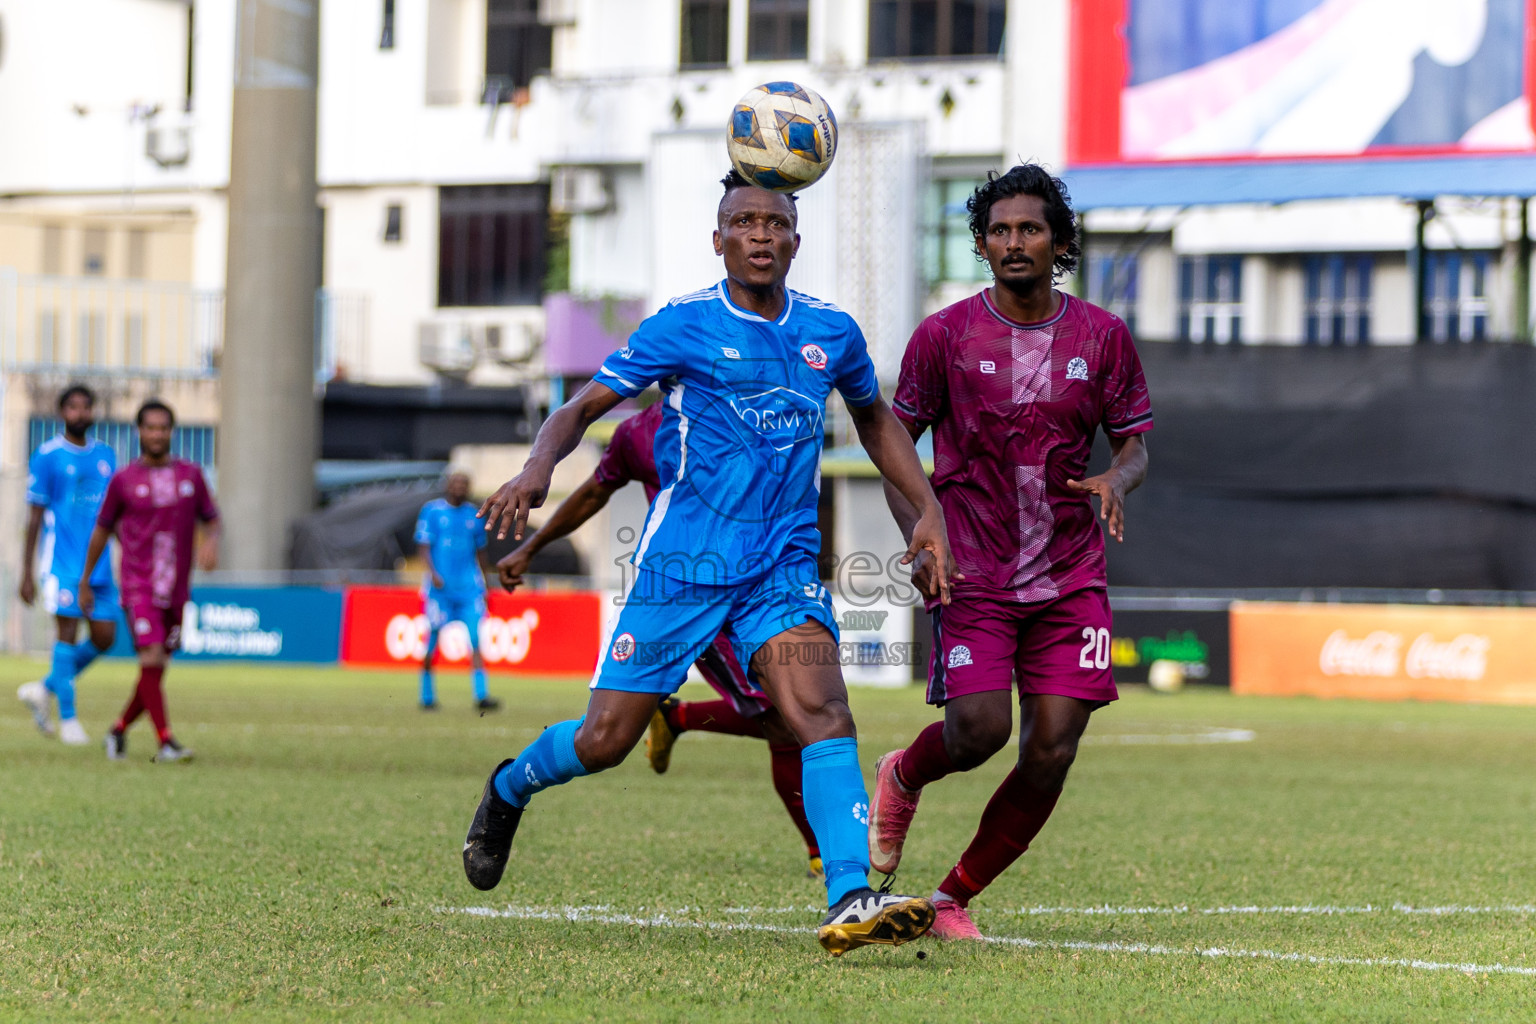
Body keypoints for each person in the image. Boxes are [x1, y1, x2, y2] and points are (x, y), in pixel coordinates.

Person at [462, 170, 959, 956]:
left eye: (775, 222)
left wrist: (925, 512)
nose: (761, 235)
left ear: (797, 238)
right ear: (719, 238)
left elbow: (876, 420)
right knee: (605, 741)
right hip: (682, 569)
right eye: (744, 222)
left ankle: (849, 894)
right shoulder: (682, 326)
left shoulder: (832, 333)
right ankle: (507, 787)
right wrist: (534, 469)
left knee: (821, 713)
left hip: (780, 569)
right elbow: (582, 406)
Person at [868, 164, 1152, 940]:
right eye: (999, 230)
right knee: (978, 733)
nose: (1014, 242)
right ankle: (905, 771)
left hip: (1069, 576)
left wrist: (1116, 479)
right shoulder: (945, 336)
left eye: (1030, 229)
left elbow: (1134, 443)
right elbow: (896, 448)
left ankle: (952, 897)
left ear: (1058, 242)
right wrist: (918, 535)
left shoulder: (1103, 336)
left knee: (1054, 747)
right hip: (975, 569)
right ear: (982, 243)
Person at [495, 401, 823, 878]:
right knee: (781, 718)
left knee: (803, 713)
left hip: (763, 585)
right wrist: (532, 547)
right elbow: (591, 494)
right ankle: (826, 858)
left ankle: (832, 864)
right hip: (690, 593)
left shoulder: (755, 409)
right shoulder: (636, 434)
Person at [79, 399, 220, 763]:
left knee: (155, 669)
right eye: (150, 427)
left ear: (171, 432)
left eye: (163, 427)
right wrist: (85, 580)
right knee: (152, 656)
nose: (157, 434)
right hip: (138, 584)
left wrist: (211, 543)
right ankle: (165, 742)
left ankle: (118, 730)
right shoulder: (124, 480)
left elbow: (211, 517)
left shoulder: (190, 476)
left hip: (176, 588)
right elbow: (101, 529)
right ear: (139, 431)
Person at [16, 385, 119, 745]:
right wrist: (26, 571)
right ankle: (70, 720)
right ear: (62, 412)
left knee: (106, 637)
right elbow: (34, 517)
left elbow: (114, 516)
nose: (80, 413)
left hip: (100, 566)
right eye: (73, 407)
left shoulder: (107, 456)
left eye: (85, 407)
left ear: (93, 413)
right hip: (61, 563)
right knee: (67, 634)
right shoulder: (47, 455)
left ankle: (44, 689)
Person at [414, 470, 500, 712]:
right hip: (440, 591)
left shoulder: (474, 514)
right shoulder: (432, 511)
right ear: (447, 486)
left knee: (475, 640)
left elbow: (481, 551)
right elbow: (423, 546)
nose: (460, 487)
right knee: (431, 643)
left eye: (464, 483)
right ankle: (426, 696)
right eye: (456, 483)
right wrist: (432, 574)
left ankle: (481, 695)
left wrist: (487, 581)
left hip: (469, 590)